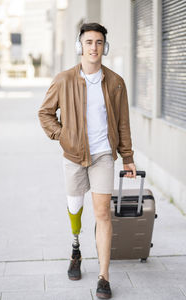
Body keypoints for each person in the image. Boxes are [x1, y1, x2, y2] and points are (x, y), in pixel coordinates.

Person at [38, 22, 136, 299]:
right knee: (75, 206)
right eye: (89, 42)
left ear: (106, 46)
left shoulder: (116, 82)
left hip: (103, 154)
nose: (94, 47)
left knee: (103, 213)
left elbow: (123, 123)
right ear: (79, 45)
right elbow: (45, 113)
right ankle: (76, 247)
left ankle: (104, 276)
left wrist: (127, 157)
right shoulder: (64, 79)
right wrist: (63, 135)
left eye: (99, 42)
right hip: (73, 155)